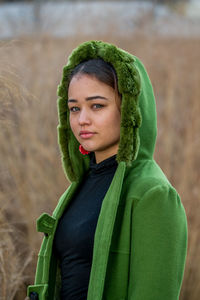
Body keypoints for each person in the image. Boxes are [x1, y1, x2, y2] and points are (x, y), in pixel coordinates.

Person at [27, 40, 188, 300]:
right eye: (74, 108)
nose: (82, 120)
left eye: (97, 106)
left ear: (129, 110)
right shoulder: (80, 185)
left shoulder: (153, 194)